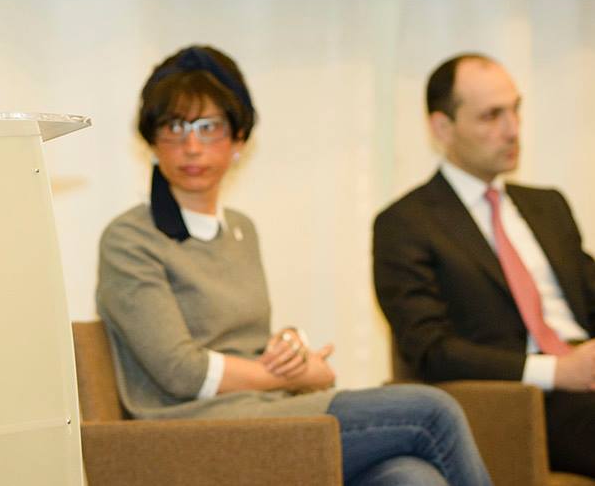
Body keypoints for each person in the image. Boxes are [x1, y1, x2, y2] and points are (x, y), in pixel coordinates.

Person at [98, 46, 490, 486]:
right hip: (189, 430)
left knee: (411, 478)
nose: (191, 147)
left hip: (260, 411)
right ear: (152, 142)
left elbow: (238, 344)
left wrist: (286, 352)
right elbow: (180, 371)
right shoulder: (131, 238)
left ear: (238, 140)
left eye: (208, 128)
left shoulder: (240, 230)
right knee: (433, 411)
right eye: (174, 127)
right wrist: (292, 375)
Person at [374, 53, 595, 477]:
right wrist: (558, 371)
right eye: (492, 116)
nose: (513, 130)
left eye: (515, 110)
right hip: (523, 400)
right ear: (442, 128)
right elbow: (430, 350)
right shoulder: (405, 224)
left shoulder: (548, 206)